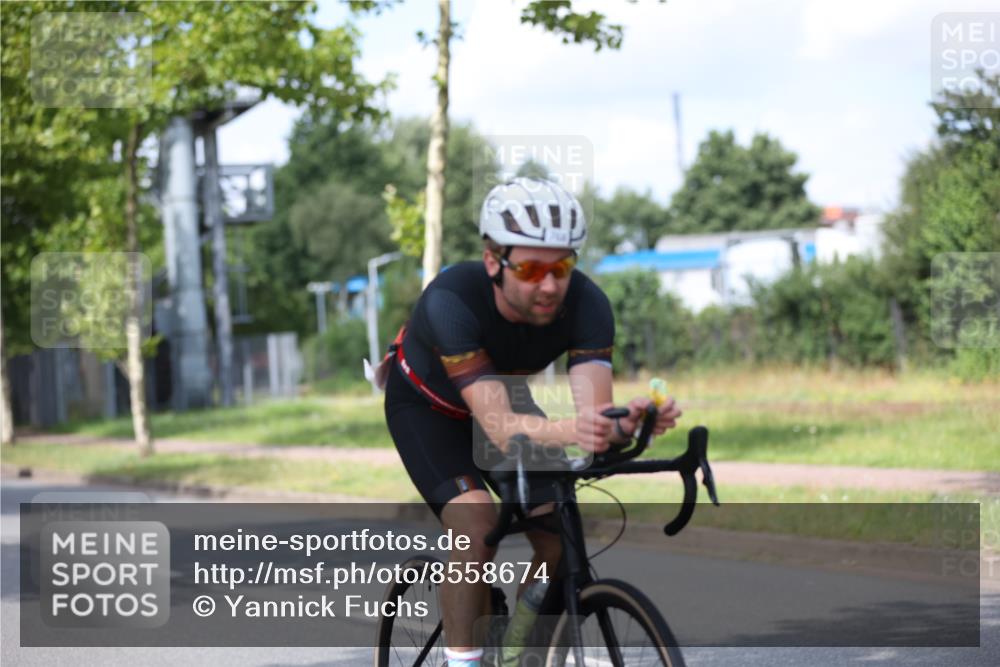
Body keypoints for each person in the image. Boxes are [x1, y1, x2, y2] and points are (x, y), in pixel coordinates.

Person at [381, 177, 682, 667]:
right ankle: (463, 661)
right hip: (428, 410)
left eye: (561, 266)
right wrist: (578, 429)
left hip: (507, 401)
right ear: (493, 262)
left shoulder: (588, 305)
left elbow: (592, 423)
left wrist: (626, 423)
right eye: (531, 268)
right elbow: (499, 427)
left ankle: (520, 648)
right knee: (475, 526)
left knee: (560, 532)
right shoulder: (451, 301)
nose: (549, 284)